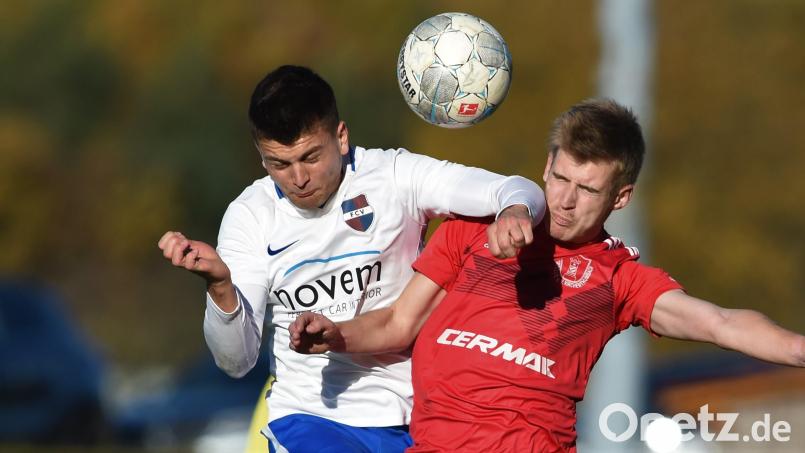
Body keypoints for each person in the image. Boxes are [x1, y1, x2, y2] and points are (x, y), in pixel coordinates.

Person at [290, 98, 805, 452]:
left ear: (620, 198)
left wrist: (797, 349)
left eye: (586, 188)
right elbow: (398, 323)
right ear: (545, 168)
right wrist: (336, 334)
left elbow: (720, 322)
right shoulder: (471, 230)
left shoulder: (618, 278)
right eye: (559, 177)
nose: (564, 198)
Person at [157, 65, 546, 452]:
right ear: (262, 159)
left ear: (341, 137)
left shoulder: (393, 176)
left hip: (419, 415)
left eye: (310, 157)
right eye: (279, 164)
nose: (298, 178)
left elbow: (515, 189)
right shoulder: (250, 216)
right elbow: (236, 362)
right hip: (311, 419)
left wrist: (514, 211)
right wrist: (220, 287)